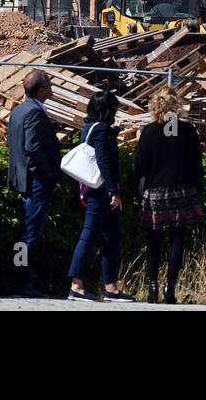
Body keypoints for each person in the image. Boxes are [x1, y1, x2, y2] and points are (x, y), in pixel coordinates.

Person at [133, 87, 205, 304]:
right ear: (177, 106)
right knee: (177, 238)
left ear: (155, 107)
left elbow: (138, 165)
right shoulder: (188, 131)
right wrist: (196, 187)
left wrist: (139, 185)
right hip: (181, 189)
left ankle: (152, 288)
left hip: (154, 190)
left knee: (153, 240)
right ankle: (169, 288)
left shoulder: (149, 132)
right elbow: (197, 164)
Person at [66, 90, 134, 302]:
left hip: (96, 190)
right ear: (109, 110)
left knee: (112, 237)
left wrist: (116, 130)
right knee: (89, 235)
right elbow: (103, 160)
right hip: (101, 192)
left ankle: (111, 287)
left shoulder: (90, 128)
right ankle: (76, 285)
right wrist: (113, 191)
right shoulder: (102, 130)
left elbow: (100, 142)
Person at [7, 71, 60, 297]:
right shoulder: (34, 113)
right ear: (41, 91)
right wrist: (47, 172)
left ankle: (21, 280)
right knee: (31, 233)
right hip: (35, 180)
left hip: (22, 178)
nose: (52, 88)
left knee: (25, 231)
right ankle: (23, 282)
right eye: (49, 85)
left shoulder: (19, 110)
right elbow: (32, 148)